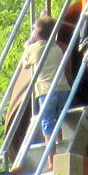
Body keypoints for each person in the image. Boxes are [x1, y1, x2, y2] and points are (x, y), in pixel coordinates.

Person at [14, 16, 72, 145]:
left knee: (47, 122)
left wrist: (27, 47)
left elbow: (25, 64)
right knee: (58, 120)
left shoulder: (34, 49)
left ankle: (51, 154)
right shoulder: (58, 48)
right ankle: (59, 142)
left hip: (47, 92)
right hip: (63, 89)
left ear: (36, 34)